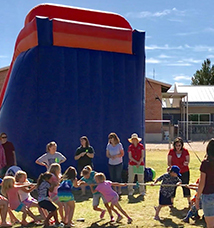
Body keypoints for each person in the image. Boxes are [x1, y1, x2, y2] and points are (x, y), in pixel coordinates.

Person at [196, 138, 214, 228]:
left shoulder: (205, 163)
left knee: (210, 225)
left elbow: (202, 183)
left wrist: (197, 197)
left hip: (208, 196)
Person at [167, 137, 191, 206]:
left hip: (184, 171)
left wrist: (186, 163)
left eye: (179, 145)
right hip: (174, 173)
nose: (178, 147)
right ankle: (171, 202)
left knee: (185, 186)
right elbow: (169, 162)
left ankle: (189, 202)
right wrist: (170, 167)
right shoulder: (171, 151)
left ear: (182, 145)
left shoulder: (185, 151)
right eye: (176, 145)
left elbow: (187, 160)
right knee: (172, 186)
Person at [127, 133, 145, 197]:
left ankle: (142, 191)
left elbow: (142, 155)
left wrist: (139, 162)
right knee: (131, 178)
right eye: (133, 139)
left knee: (141, 178)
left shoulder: (141, 146)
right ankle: (130, 191)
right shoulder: (130, 147)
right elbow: (130, 157)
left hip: (140, 164)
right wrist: (136, 162)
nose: (134, 140)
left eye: (135, 139)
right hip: (132, 164)